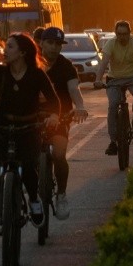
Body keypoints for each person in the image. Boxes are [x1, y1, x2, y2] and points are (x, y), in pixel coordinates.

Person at [0, 33, 60, 236]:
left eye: (10, 47)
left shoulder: (37, 74)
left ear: (22, 52)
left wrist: (53, 116)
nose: (5, 51)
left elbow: (54, 102)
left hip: (28, 128)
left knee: (28, 167)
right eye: (5, 47)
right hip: (1, 125)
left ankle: (34, 201)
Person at [36, 27, 89, 220]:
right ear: (41, 43)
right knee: (26, 156)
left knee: (58, 154)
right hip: (33, 117)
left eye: (58, 44)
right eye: (50, 43)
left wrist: (80, 107)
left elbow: (74, 89)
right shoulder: (30, 64)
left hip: (61, 116)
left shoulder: (66, 66)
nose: (54, 47)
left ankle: (61, 195)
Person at [93, 20, 133, 156]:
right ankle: (113, 142)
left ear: (129, 34)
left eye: (125, 34)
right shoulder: (111, 44)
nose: (122, 37)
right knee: (113, 105)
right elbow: (103, 63)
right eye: (119, 34)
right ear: (115, 34)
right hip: (114, 79)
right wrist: (97, 80)